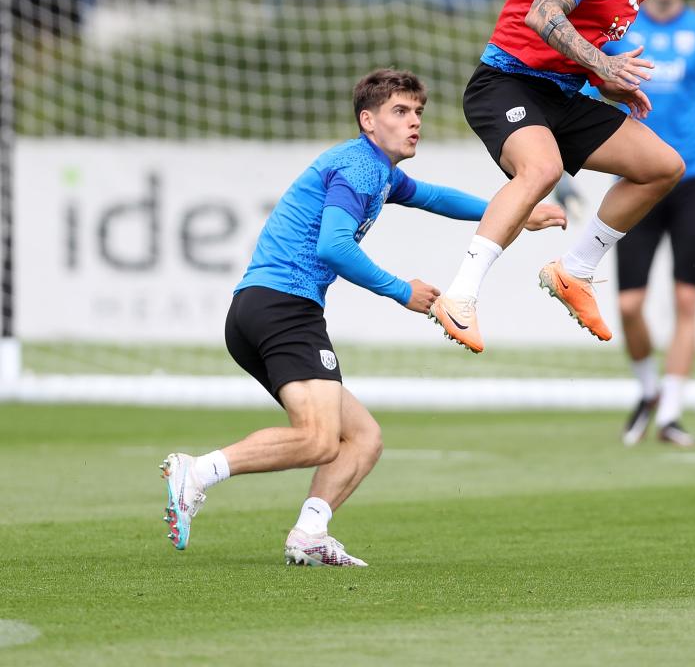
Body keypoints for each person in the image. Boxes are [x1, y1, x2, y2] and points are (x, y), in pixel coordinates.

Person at [159, 68, 564, 566]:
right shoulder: (359, 168)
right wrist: (401, 291)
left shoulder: (380, 170)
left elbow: (436, 198)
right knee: (317, 438)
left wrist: (520, 209)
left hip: (263, 310)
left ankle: (309, 534)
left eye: (418, 112)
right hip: (282, 308)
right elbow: (333, 246)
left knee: (363, 439)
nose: (414, 121)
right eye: (400, 111)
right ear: (367, 120)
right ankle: (197, 472)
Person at [430, 0, 695, 354]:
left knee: (663, 167)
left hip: (559, 93)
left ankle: (576, 271)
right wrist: (603, 62)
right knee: (542, 169)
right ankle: (459, 295)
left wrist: (609, 83)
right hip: (505, 84)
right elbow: (543, 15)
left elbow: (577, 48)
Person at [557, 0, 695, 447]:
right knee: (630, 305)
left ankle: (670, 412)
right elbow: (584, 95)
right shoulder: (620, 33)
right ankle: (648, 391)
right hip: (637, 178)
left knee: (687, 298)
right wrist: (560, 170)